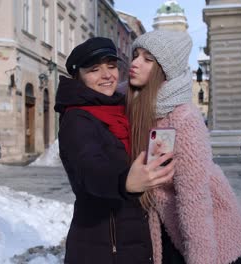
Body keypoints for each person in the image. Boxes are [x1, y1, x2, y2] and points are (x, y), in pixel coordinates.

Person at [127, 30, 241, 264]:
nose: (134, 63)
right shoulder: (142, 109)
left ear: (164, 69)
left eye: (147, 58)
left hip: (210, 239)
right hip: (169, 232)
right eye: (135, 55)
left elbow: (194, 198)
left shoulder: (183, 118)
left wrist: (201, 259)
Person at [54, 37, 175, 264]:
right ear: (78, 75)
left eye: (111, 67)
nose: (107, 75)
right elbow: (89, 170)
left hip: (130, 238)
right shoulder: (78, 119)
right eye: (94, 70)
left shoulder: (118, 108)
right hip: (104, 246)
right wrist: (124, 182)